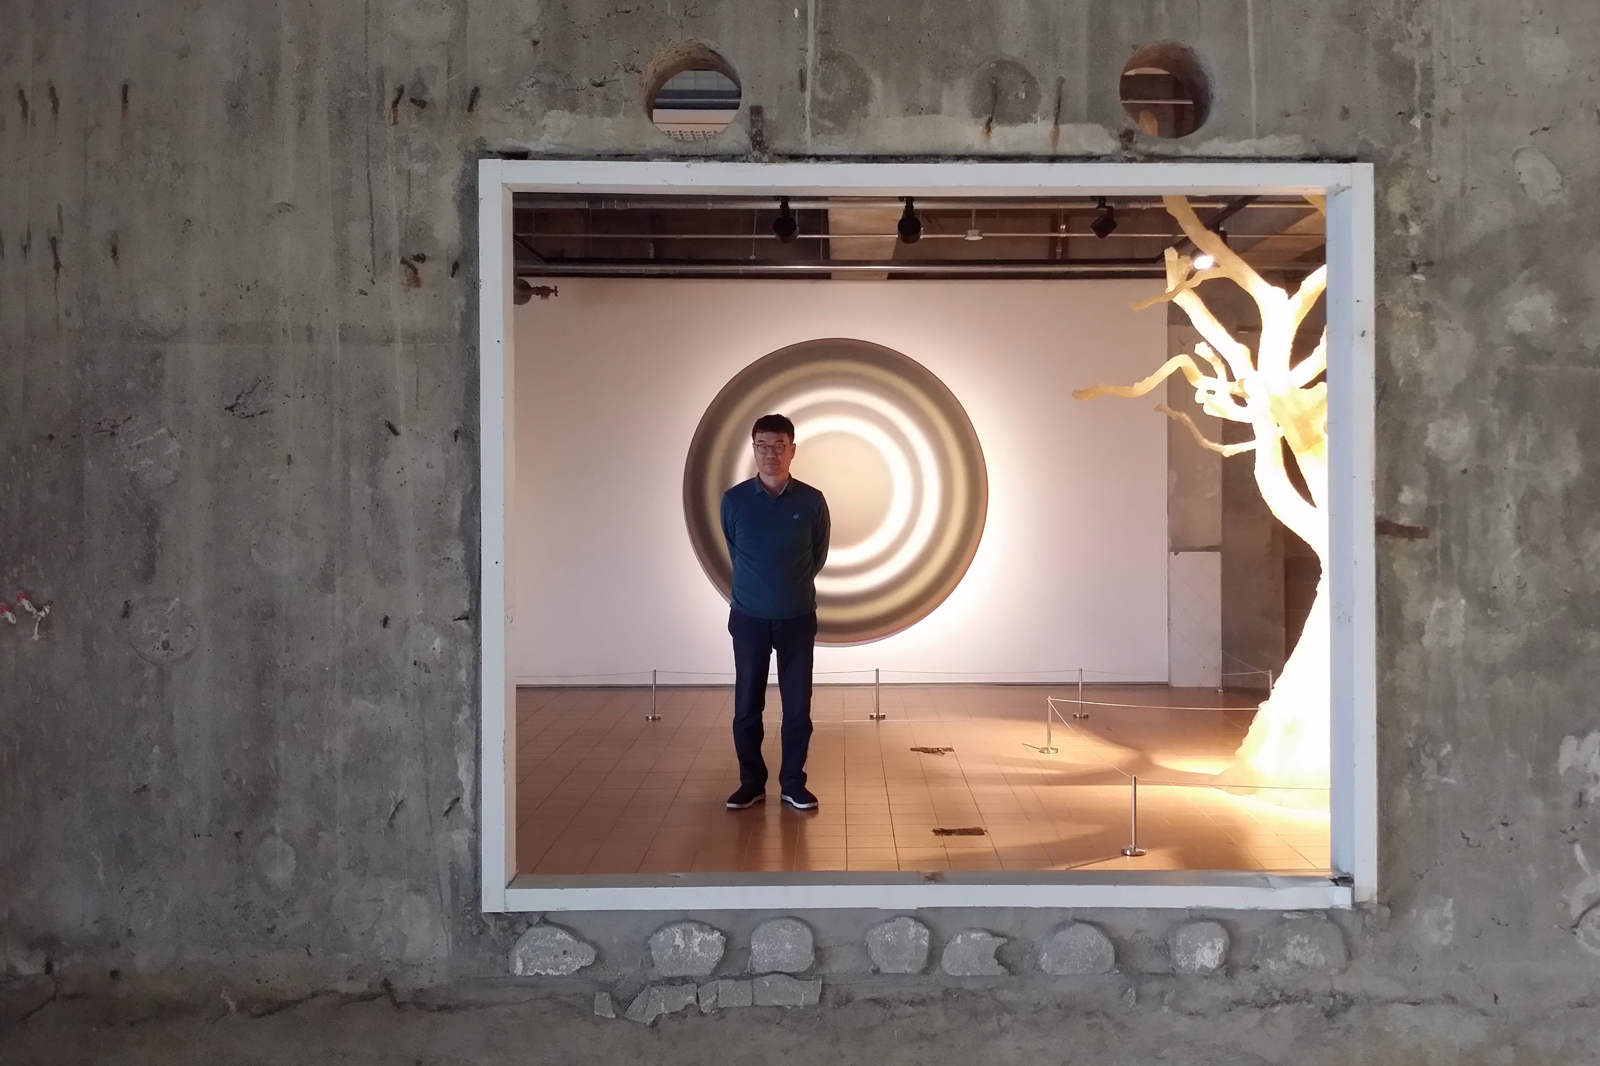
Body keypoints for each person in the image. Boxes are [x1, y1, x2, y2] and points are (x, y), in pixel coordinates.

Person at [719, 414, 831, 811]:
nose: (771, 454)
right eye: (763, 446)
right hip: (748, 618)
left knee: (797, 706)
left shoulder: (811, 500)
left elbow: (817, 554)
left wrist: (789, 586)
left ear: (792, 450)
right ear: (753, 449)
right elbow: (735, 551)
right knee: (747, 707)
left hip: (797, 616)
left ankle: (793, 783)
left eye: (779, 446)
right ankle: (751, 783)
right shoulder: (734, 501)